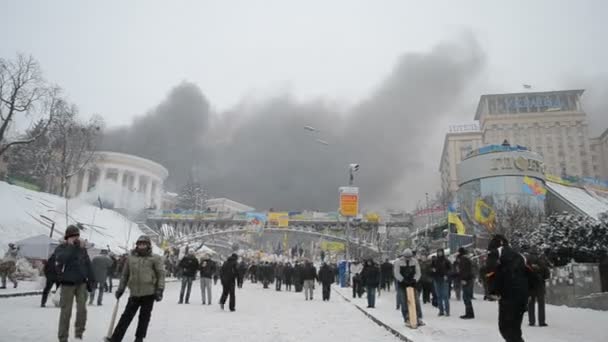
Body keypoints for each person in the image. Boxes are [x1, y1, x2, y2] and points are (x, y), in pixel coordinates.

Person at [106, 235, 165, 342]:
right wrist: (121, 289)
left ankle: (139, 338)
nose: (141, 246)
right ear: (137, 245)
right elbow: (125, 275)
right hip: (134, 293)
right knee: (126, 317)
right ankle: (116, 338)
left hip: (149, 293)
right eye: (140, 244)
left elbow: (161, 274)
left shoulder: (155, 258)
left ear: (148, 245)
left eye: (144, 244)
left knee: (144, 317)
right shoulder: (130, 258)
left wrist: (160, 289)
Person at [54, 225, 94, 342]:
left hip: (81, 283)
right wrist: (71, 247)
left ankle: (79, 334)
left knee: (82, 310)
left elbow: (88, 264)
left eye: (76, 236)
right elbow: (62, 259)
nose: (75, 238)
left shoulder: (82, 249)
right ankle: (63, 338)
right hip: (67, 284)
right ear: (67, 237)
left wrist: (91, 280)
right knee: (66, 311)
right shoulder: (61, 248)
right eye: (72, 236)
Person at [486, 234, 529, 342]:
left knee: (506, 328)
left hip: (509, 297)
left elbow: (490, 272)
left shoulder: (496, 253)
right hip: (521, 297)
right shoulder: (519, 256)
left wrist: (492, 291)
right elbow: (531, 274)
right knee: (514, 329)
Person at [394, 248, 424, 327]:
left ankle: (418, 317)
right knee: (404, 301)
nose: (408, 258)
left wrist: (415, 280)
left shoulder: (414, 261)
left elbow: (418, 272)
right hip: (402, 284)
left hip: (412, 283)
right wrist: (402, 280)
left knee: (416, 301)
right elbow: (396, 273)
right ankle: (407, 318)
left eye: (409, 257)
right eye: (406, 257)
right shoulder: (398, 262)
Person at [527, 251, 550, 327]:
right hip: (540, 287)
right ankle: (541, 322)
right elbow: (547, 275)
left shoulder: (527, 264)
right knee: (541, 305)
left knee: (530, 305)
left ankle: (531, 322)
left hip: (530, 287)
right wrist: (542, 277)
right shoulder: (542, 263)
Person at [431, 248, 452, 316]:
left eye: (441, 252)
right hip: (436, 279)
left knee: (445, 296)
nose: (440, 253)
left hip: (444, 279)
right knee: (439, 296)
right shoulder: (434, 260)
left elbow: (450, 269)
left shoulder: (446, 260)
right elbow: (431, 268)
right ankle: (441, 310)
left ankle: (447, 311)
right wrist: (433, 270)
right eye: (438, 252)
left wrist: (447, 275)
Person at [457, 247, 475, 319]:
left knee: (466, 297)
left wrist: (464, 279)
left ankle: (469, 314)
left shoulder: (463, 259)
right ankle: (469, 313)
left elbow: (464, 270)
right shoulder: (467, 258)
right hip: (469, 279)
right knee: (467, 297)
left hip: (466, 280)